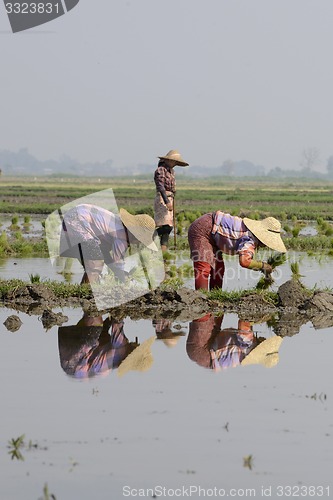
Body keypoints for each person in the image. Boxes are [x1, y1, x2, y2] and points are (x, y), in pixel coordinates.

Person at [59, 204, 158, 284]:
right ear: (135, 235)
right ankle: (85, 294)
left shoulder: (118, 226)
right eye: (140, 240)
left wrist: (117, 271)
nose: (139, 243)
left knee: (93, 263)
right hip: (77, 221)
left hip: (73, 216)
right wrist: (125, 279)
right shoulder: (121, 237)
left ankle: (85, 290)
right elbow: (117, 262)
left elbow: (105, 254)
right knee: (95, 265)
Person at [188, 211, 287, 290]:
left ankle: (214, 297)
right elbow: (244, 261)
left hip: (212, 232)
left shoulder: (251, 235)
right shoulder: (250, 238)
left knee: (218, 269)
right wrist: (263, 266)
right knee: (204, 267)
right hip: (202, 230)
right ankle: (201, 298)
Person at [58, 312, 139, 378]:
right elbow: (103, 332)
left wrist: (120, 310)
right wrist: (109, 319)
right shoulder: (113, 363)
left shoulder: (122, 349)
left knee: (95, 316)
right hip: (70, 362)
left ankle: (91, 304)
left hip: (75, 362)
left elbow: (117, 320)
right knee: (95, 330)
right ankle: (88, 305)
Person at [186, 313, 261, 371]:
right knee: (217, 310)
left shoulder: (248, 345)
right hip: (210, 350)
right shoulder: (246, 355)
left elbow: (244, 322)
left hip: (203, 352)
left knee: (205, 314)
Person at [154, 149, 189, 251]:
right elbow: (160, 187)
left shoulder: (171, 171)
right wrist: (167, 201)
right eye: (174, 161)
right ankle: (148, 237)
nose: (174, 164)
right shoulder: (160, 170)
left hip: (170, 198)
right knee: (166, 226)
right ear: (168, 160)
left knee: (168, 228)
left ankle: (163, 252)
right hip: (162, 198)